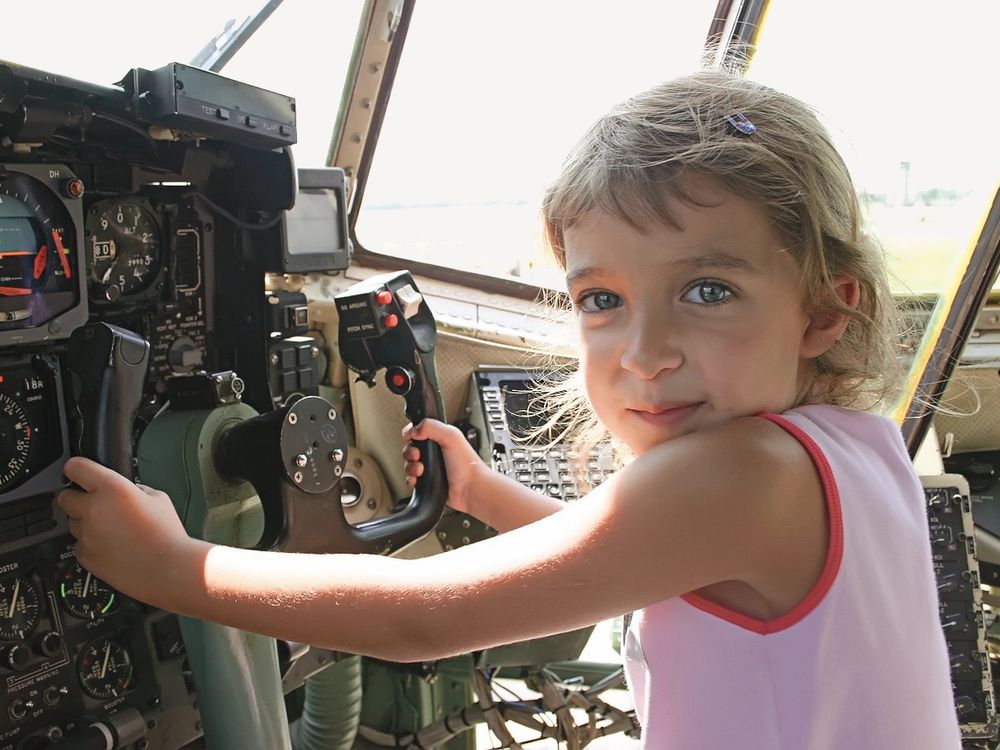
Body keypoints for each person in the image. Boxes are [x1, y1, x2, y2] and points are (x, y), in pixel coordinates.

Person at [57, 69, 961, 749]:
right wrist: (486, 496)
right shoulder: (856, 450)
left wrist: (172, 567)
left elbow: (424, 617)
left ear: (825, 308)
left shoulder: (736, 475)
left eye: (710, 290)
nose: (646, 353)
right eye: (602, 301)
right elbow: (647, 562)